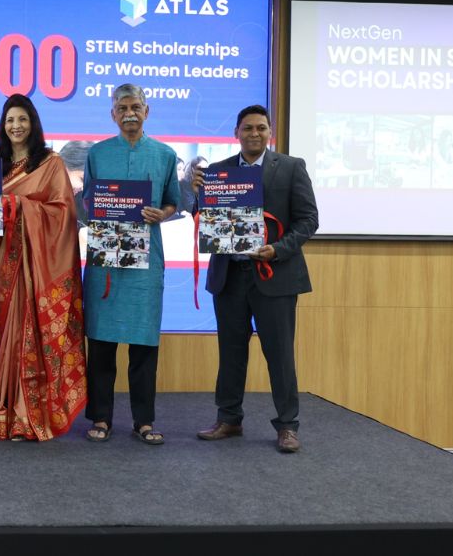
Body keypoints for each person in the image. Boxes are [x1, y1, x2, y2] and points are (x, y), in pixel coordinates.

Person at [193, 105, 319, 453]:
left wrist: (277, 249)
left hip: (275, 276)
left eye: (261, 128)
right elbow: (204, 218)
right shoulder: (216, 172)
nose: (254, 133)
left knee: (280, 355)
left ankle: (288, 426)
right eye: (247, 128)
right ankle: (229, 419)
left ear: (269, 132)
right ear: (236, 133)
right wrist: (197, 193)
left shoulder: (291, 167)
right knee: (230, 353)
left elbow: (308, 220)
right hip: (230, 277)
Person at [0, 93, 87, 441]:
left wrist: (18, 205)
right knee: (8, 334)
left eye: (22, 119)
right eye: (10, 120)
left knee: (29, 337)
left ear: (33, 123)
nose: (16, 126)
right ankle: (6, 409)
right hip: (3, 266)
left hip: (35, 271)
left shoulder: (50, 164)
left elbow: (63, 214)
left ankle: (29, 415)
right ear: (2, 126)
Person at [81, 84, 179, 444]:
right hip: (105, 262)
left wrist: (162, 214)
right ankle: (101, 418)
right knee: (101, 345)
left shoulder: (165, 155)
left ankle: (144, 421)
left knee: (144, 346)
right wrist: (101, 211)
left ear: (146, 111)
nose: (129, 113)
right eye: (122, 108)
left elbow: (172, 201)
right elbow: (87, 201)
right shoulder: (97, 154)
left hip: (145, 266)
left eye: (135, 107)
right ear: (113, 114)